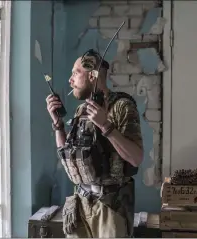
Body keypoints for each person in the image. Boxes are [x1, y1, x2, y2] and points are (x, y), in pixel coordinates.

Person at [45, 49, 144, 238]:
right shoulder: (81, 110)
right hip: (80, 202)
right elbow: (67, 153)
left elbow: (136, 158)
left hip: (110, 207)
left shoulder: (122, 106)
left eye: (76, 72)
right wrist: (58, 125)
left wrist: (105, 125)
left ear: (92, 75)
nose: (70, 80)